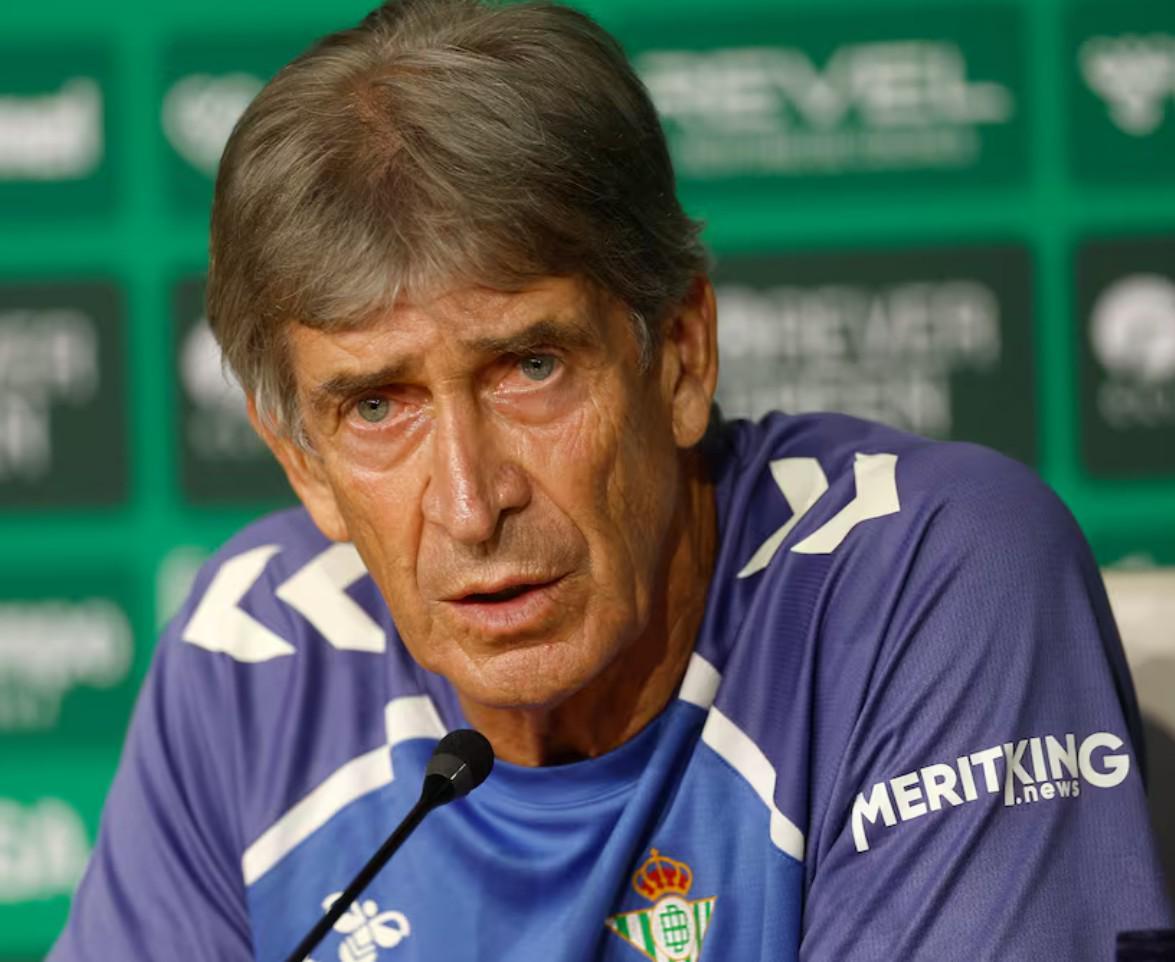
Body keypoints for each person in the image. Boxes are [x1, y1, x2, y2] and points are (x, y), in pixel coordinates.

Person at [50, 0, 1172, 959]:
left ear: (679, 355)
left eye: (529, 367)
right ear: (303, 461)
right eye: (377, 406)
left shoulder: (932, 574)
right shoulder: (252, 653)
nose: (470, 504)